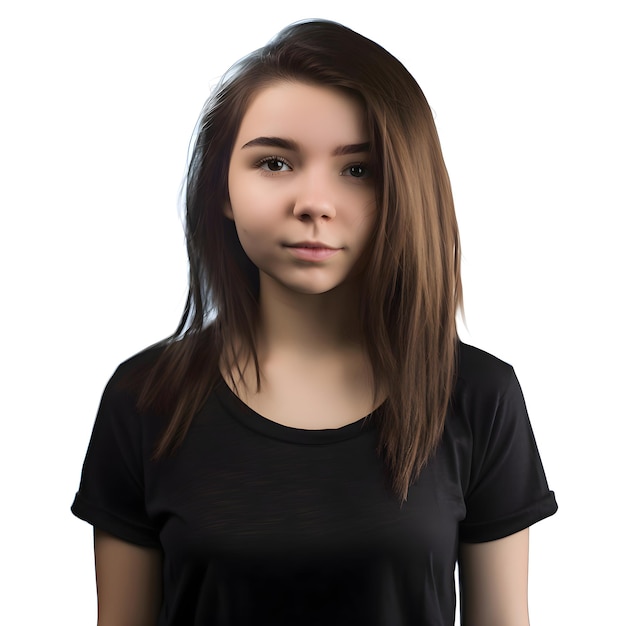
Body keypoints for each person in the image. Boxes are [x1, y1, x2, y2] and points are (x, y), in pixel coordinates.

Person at [71, 18, 557, 626]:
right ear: (222, 187)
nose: (314, 203)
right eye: (274, 164)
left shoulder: (478, 397)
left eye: (358, 170)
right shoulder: (144, 398)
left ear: (404, 188)